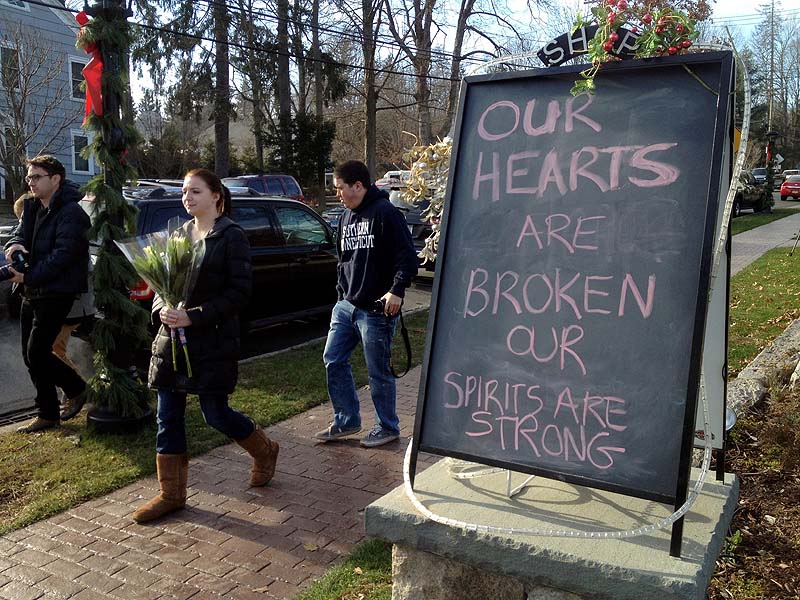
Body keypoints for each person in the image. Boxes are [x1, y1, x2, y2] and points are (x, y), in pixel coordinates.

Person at [132, 168, 279, 524]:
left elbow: (239, 293)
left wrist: (193, 316)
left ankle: (265, 449)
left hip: (211, 341)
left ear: (216, 196)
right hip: (172, 343)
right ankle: (172, 494)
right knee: (167, 416)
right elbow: (160, 288)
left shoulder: (232, 237)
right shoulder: (177, 235)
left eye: (195, 191)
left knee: (216, 415)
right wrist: (163, 310)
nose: (187, 197)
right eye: (184, 192)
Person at [315, 160, 418, 447]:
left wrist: (396, 291)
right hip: (346, 306)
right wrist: (340, 296)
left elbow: (407, 257)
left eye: (340, 189)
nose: (338, 195)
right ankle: (347, 420)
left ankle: (388, 427)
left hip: (376, 311)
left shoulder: (385, 213)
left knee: (378, 372)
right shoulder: (345, 217)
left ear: (358, 186)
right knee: (333, 359)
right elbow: (344, 262)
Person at [5, 156, 90, 434]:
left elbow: (63, 257)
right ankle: (48, 413)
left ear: (55, 179)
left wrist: (29, 275)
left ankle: (77, 388)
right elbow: (18, 233)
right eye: (29, 177)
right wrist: (16, 245)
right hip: (31, 290)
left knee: (38, 352)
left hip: (56, 291)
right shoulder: (31, 207)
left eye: (36, 177)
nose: (30, 182)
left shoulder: (72, 213)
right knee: (31, 356)